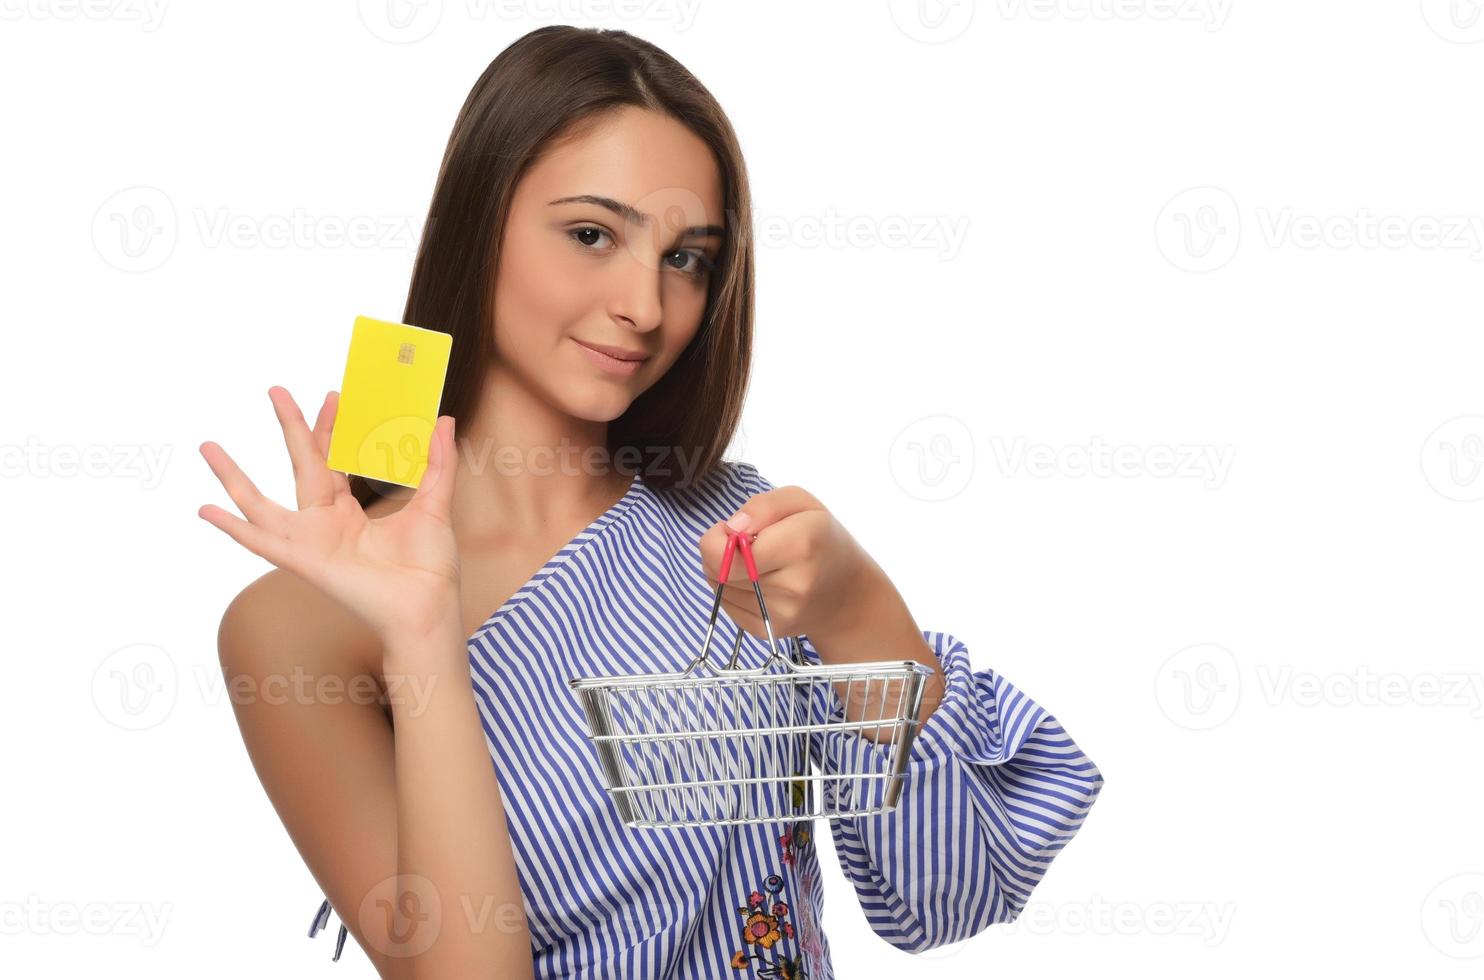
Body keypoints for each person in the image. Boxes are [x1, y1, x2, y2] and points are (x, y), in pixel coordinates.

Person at [199, 26, 1102, 980]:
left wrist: (859, 614)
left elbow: (949, 897)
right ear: (480, 220)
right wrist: (423, 631)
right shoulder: (296, 628)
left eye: (688, 259)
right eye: (592, 235)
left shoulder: (741, 530)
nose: (646, 304)